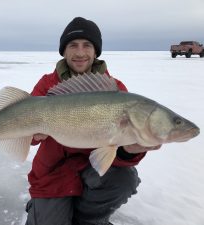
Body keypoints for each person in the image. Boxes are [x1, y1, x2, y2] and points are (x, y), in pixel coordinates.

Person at [25, 17, 161, 225]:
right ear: (64, 50)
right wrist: (31, 134)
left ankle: (89, 219)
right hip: (53, 174)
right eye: (73, 45)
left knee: (123, 179)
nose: (80, 53)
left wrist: (128, 150)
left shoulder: (115, 90)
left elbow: (117, 154)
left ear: (96, 51)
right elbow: (27, 136)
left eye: (87, 45)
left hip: (93, 171)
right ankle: (41, 209)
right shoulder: (47, 85)